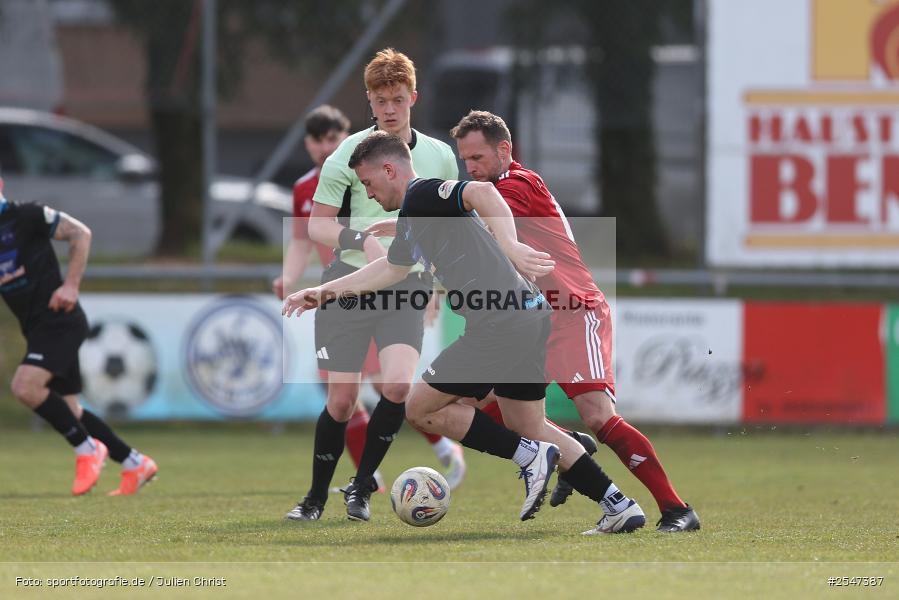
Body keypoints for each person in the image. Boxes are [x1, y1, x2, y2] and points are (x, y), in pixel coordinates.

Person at [284, 130, 646, 534]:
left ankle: (529, 456)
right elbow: (389, 270)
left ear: (390, 170)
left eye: (368, 183)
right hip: (527, 317)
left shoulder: (421, 194)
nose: (367, 194)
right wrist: (323, 292)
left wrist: (509, 243)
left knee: (419, 408)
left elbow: (482, 194)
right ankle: (617, 504)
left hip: (499, 323)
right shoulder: (412, 217)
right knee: (529, 423)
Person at [449, 110, 700, 532]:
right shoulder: (488, 188)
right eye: (464, 160)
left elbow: (481, 226)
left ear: (504, 150)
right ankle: (569, 446)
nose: (470, 168)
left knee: (598, 415)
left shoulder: (518, 184)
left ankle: (677, 510)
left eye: (477, 158)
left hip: (572, 310)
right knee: (478, 402)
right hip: (530, 320)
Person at [283, 49, 464, 522]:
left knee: (399, 387)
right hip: (348, 280)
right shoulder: (348, 152)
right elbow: (317, 226)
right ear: (368, 100)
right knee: (342, 402)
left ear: (413, 99)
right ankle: (315, 498)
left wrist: (438, 287)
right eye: (381, 99)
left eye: (398, 100)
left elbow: (448, 226)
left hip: (408, 284)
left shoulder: (440, 155)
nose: (389, 108)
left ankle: (361, 488)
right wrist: (360, 239)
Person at [0, 165, 157, 496]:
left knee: (25, 386)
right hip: (37, 328)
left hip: (59, 321)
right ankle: (134, 463)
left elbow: (80, 234)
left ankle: (87, 449)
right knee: (71, 412)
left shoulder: (26, 215)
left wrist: (70, 285)